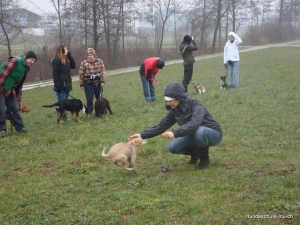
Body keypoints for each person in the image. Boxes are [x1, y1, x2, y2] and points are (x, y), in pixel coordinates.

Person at [128, 82, 222, 170]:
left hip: (213, 134)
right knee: (173, 147)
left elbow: (194, 124)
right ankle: (195, 154)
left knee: (199, 131)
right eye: (166, 101)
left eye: (170, 101)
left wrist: (174, 133)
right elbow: (162, 125)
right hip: (193, 135)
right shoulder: (174, 111)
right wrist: (142, 135)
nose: (168, 103)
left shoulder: (195, 104)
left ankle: (204, 160)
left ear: (179, 98)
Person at [0, 51, 37, 137]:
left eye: (34, 61)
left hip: (9, 89)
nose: (32, 62)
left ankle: (20, 128)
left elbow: (19, 86)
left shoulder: (25, 69)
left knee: (15, 109)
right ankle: (2, 130)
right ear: (26, 57)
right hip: (1, 87)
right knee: (1, 110)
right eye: (31, 59)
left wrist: (18, 100)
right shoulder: (14, 61)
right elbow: (2, 75)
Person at [52, 45, 76, 122]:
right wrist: (57, 84)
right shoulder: (57, 60)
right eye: (65, 49)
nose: (67, 50)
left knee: (65, 102)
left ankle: (64, 118)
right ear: (61, 50)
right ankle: (60, 118)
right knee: (60, 103)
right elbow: (55, 73)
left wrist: (70, 56)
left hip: (67, 83)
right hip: (61, 85)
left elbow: (73, 66)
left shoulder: (66, 59)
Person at [78, 48, 106, 116]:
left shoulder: (99, 61)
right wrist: (81, 84)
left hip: (98, 83)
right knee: (89, 98)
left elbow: (102, 72)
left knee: (99, 98)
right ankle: (89, 111)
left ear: (94, 55)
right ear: (86, 55)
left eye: (91, 55)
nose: (90, 56)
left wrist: (102, 81)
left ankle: (101, 111)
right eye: (88, 55)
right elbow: (81, 74)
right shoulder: (83, 63)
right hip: (88, 83)